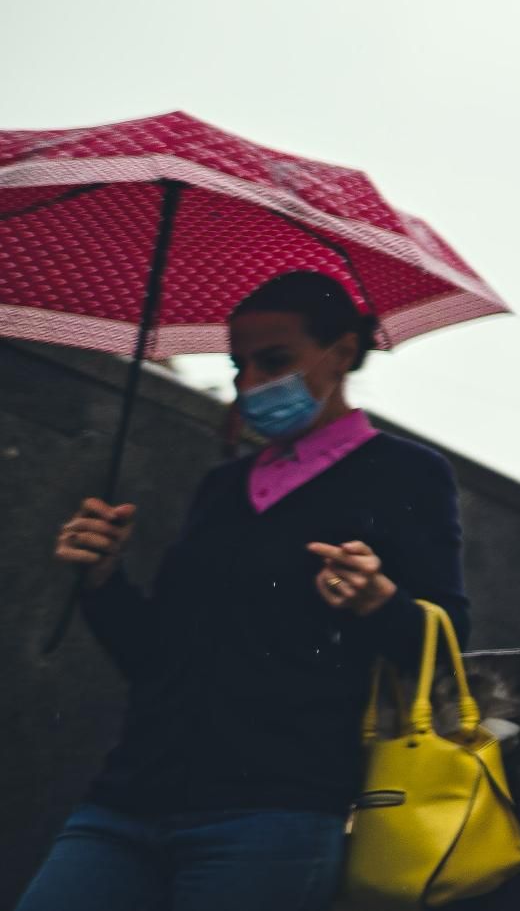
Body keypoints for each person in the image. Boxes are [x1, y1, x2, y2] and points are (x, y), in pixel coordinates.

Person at [20, 271, 469, 911]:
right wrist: (102, 580)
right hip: (126, 803)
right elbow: (154, 658)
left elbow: (445, 643)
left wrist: (379, 605)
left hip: (273, 818)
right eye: (238, 365)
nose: (250, 384)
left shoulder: (407, 474)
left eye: (274, 360)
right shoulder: (221, 488)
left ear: (343, 351)